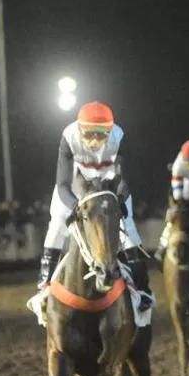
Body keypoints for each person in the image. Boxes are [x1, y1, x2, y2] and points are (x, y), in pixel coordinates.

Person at [36, 101, 153, 310]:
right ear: (79, 129)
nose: (94, 141)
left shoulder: (118, 135)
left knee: (129, 228)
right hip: (76, 182)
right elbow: (62, 184)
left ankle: (142, 289)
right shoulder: (69, 135)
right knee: (57, 226)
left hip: (109, 183)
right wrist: (73, 205)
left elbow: (124, 180)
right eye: (89, 134)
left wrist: (120, 199)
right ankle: (44, 285)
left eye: (101, 135)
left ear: (110, 131)